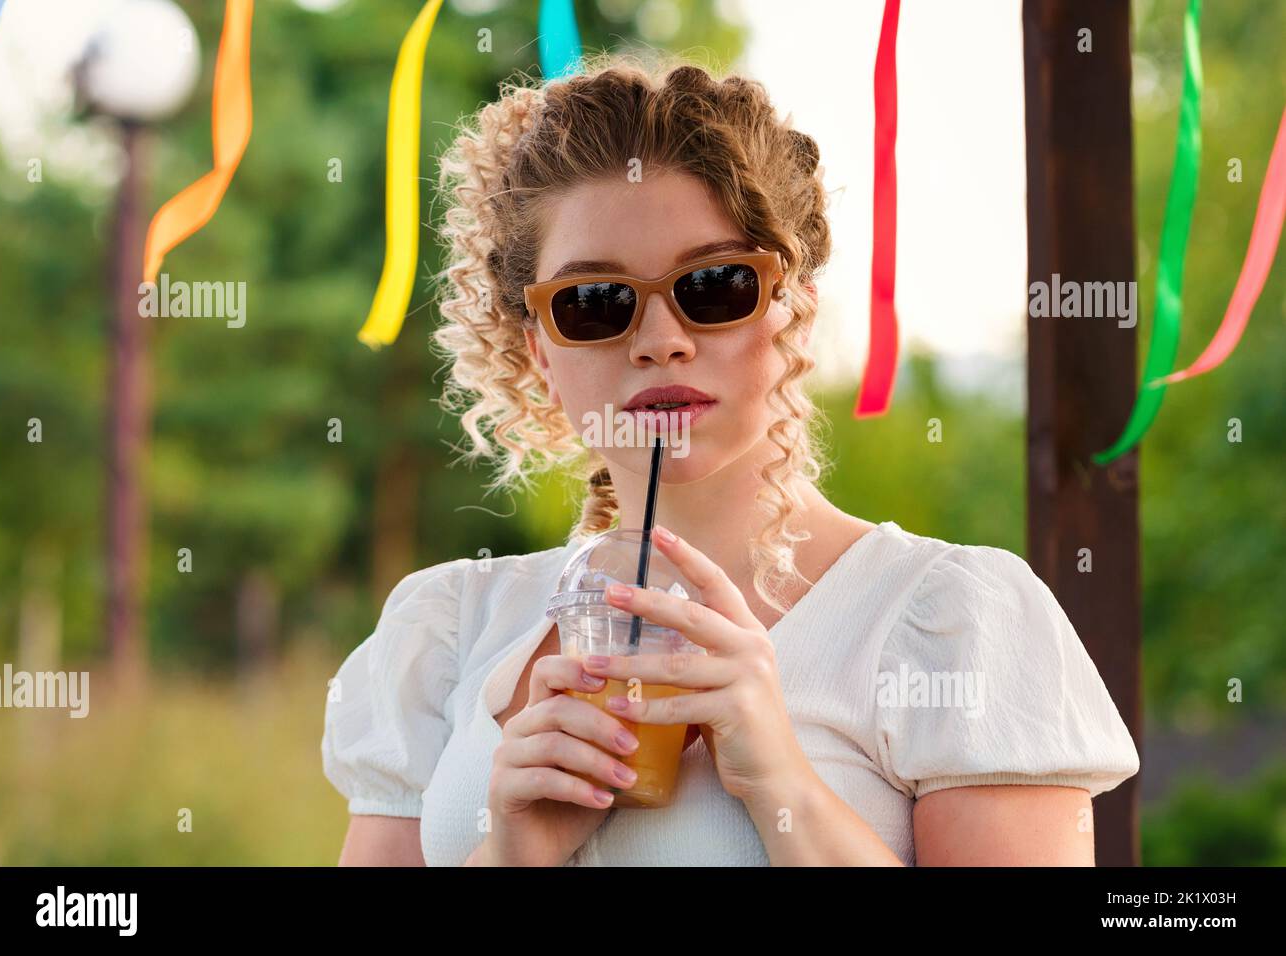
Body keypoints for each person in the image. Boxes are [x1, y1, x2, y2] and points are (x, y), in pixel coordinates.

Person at [321, 52, 1139, 866]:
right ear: (540, 350)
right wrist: (508, 855)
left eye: (714, 286)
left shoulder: (952, 625)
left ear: (795, 312)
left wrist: (784, 785)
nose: (661, 341)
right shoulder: (449, 632)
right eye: (594, 302)